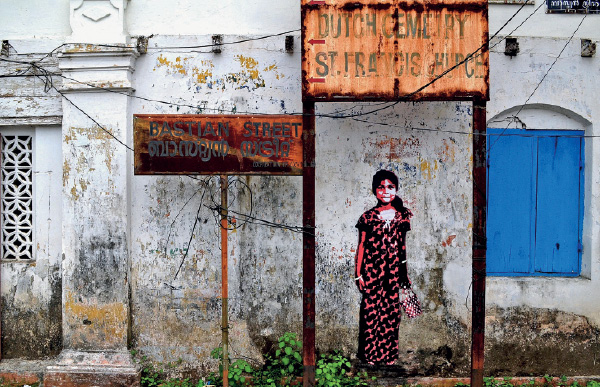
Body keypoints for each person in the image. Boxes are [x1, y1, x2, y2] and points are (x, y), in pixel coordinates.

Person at [354, 169, 420, 365]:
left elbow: (402, 249)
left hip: (392, 274)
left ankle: (389, 356)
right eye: (381, 187)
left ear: (396, 190)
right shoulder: (367, 218)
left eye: (390, 187)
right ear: (375, 190)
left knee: (390, 314)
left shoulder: (402, 218)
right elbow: (361, 246)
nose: (385, 191)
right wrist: (359, 275)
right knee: (371, 313)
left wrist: (404, 276)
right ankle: (370, 355)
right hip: (372, 273)